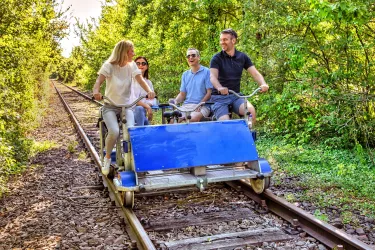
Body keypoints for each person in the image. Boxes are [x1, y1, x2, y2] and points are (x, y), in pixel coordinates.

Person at [93, 40, 155, 175]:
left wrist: (149, 91)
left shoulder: (132, 65)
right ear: (124, 52)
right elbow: (98, 81)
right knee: (114, 132)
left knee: (131, 131)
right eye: (132, 51)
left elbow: (140, 80)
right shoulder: (109, 66)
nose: (134, 53)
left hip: (127, 107)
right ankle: (107, 159)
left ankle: (132, 160)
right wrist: (96, 91)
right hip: (110, 106)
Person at [209, 28, 269, 123]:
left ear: (233, 40)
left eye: (225, 39)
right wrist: (219, 88)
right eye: (221, 40)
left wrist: (263, 83)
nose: (222, 42)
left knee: (251, 112)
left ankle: (246, 136)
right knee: (225, 124)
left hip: (235, 96)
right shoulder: (216, 58)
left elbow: (255, 73)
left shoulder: (242, 57)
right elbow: (212, 76)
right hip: (219, 98)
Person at [169, 48, 213, 122]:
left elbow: (209, 92)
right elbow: (182, 94)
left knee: (192, 118)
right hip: (186, 106)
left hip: (202, 106)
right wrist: (175, 101)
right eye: (188, 56)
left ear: (198, 57)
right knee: (172, 119)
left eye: (193, 55)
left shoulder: (206, 71)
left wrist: (200, 104)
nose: (190, 58)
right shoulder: (185, 74)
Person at [132, 56, 157, 126]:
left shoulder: (148, 83)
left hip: (143, 112)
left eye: (143, 63)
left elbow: (153, 99)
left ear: (147, 66)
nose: (140, 65)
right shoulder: (129, 81)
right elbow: (131, 99)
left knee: (141, 112)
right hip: (129, 111)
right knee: (139, 109)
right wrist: (147, 106)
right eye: (138, 63)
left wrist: (148, 105)